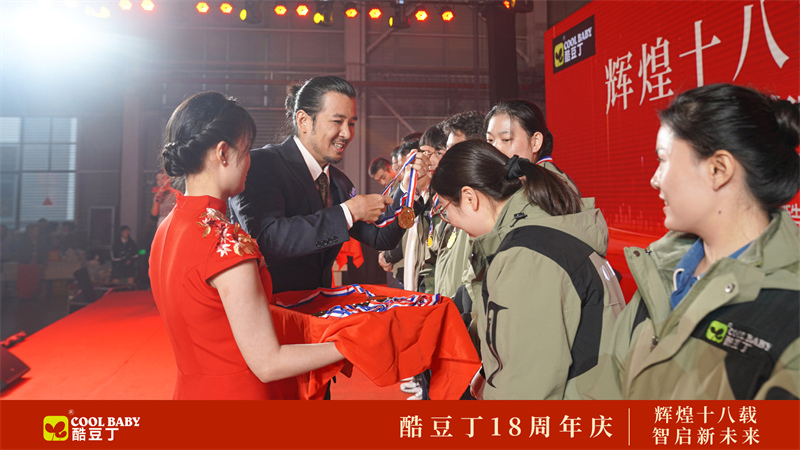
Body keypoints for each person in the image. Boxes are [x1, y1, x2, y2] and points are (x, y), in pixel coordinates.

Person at [588, 83, 800, 400]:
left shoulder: (788, 305)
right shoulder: (660, 272)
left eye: (663, 159)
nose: (654, 180)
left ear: (718, 169)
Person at [149, 91, 345, 400]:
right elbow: (268, 363)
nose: (250, 162)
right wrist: (351, 345)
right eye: (247, 150)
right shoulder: (226, 242)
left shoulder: (167, 229)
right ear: (223, 153)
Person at [430, 139, 625, 399]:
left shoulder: (525, 257)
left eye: (444, 210)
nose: (448, 221)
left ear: (469, 198)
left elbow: (526, 388)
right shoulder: (541, 232)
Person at [229, 76, 428, 294]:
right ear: (304, 121)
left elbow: (380, 237)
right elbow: (267, 241)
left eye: (351, 123)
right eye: (337, 121)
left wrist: (409, 189)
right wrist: (348, 212)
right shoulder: (261, 164)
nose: (347, 134)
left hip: (318, 306)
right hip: (269, 305)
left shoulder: (339, 182)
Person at [485, 99, 579, 193]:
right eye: (490, 140)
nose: (494, 148)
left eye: (506, 139)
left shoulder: (551, 187)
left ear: (535, 142)